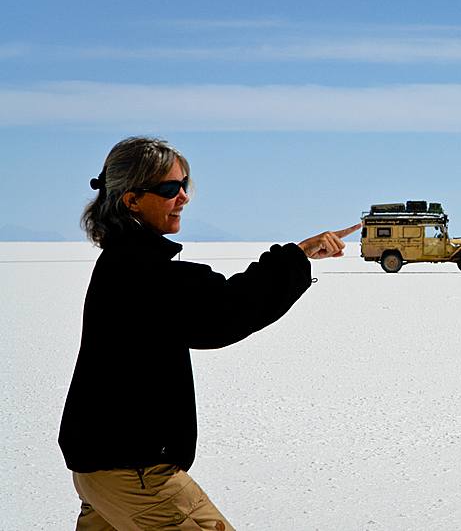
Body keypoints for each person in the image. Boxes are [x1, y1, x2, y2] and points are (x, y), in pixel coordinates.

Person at [58, 136, 360, 531]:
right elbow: (223, 311)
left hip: (102, 473)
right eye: (169, 189)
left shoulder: (122, 263)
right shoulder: (141, 271)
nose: (182, 197)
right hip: (137, 474)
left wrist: (297, 257)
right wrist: (295, 257)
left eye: (186, 185)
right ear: (131, 200)